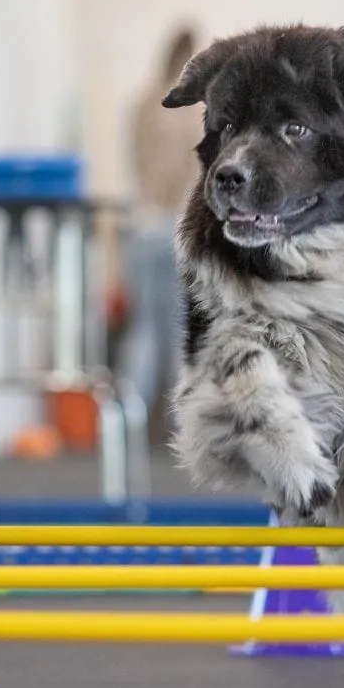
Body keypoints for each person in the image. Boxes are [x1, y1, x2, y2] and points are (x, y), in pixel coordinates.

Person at [120, 25, 204, 436]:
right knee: (179, 329)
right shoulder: (197, 111)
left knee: (141, 330)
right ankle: (178, 427)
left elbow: (135, 164)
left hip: (143, 221)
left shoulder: (141, 105)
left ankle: (126, 423)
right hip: (180, 226)